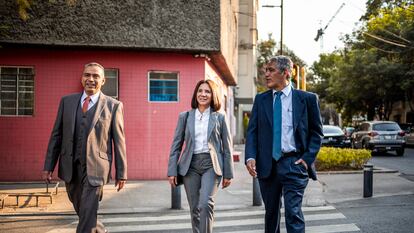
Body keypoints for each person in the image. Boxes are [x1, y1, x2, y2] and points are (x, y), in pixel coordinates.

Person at [42, 62, 127, 233]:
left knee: (88, 212)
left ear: (103, 81)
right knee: (85, 212)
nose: (91, 79)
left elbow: (119, 140)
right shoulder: (67, 102)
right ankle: (99, 229)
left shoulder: (113, 105)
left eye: (96, 76)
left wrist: (121, 172)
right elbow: (56, 135)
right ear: (82, 78)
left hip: (96, 169)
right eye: (87, 75)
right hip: (70, 167)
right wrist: (48, 166)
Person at [245, 55, 323, 233]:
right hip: (267, 165)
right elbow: (253, 132)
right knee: (271, 214)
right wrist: (250, 156)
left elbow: (316, 132)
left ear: (286, 72)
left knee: (293, 213)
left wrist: (306, 159)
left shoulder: (307, 99)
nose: (266, 74)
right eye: (266, 70)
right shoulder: (261, 99)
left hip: (294, 164)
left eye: (271, 70)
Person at [167, 79, 234, 233]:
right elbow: (176, 144)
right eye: (200, 91)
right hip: (190, 166)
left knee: (205, 204)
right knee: (195, 208)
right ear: (196, 94)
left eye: (207, 91)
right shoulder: (185, 116)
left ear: (213, 95)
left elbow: (227, 146)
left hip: (211, 165)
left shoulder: (220, 117)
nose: (203, 94)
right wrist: (172, 170)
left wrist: (228, 173)